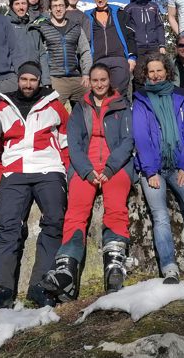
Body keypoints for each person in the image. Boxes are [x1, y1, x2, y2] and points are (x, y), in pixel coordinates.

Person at [41, 63, 134, 301]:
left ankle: (114, 264)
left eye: (103, 79)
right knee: (76, 212)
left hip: (117, 166)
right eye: (95, 80)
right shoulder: (80, 108)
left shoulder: (123, 105)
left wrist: (111, 167)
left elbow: (128, 140)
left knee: (116, 207)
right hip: (85, 168)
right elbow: (74, 143)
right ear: (89, 82)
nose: (100, 84)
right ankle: (67, 270)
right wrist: (86, 170)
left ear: (109, 81)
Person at [0, 61, 69, 311]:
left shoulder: (54, 105)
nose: (28, 84)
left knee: (54, 221)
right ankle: (1, 288)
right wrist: (0, 176)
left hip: (49, 168)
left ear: (39, 81)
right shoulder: (2, 107)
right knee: (8, 227)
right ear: (18, 80)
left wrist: (64, 171)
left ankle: (41, 285)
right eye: (24, 80)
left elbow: (66, 141)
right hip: (14, 171)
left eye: (33, 80)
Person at [132, 53, 184, 293]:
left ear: (167, 72)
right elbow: (141, 137)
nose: (156, 75)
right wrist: (149, 170)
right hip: (153, 168)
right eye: (151, 71)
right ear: (145, 74)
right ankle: (169, 267)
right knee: (159, 214)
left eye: (159, 70)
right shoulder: (140, 100)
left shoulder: (179, 99)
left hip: (178, 165)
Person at [30, 0, 92, 107]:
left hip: (76, 78)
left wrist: (86, 74)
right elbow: (39, 53)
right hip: (55, 79)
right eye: (55, 6)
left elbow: (85, 51)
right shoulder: (43, 27)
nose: (58, 9)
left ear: (66, 7)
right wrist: (45, 79)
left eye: (61, 5)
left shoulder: (76, 27)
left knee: (91, 105)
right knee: (53, 113)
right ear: (50, 9)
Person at [85, 0, 137, 96]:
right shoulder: (87, 16)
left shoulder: (119, 13)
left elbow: (130, 36)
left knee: (118, 93)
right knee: (101, 94)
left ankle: (122, 113)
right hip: (98, 60)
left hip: (119, 59)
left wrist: (132, 57)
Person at [125, 0, 166, 89]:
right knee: (139, 76)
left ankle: (157, 101)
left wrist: (162, 44)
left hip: (153, 46)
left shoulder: (154, 7)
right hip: (138, 47)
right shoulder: (129, 8)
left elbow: (159, 26)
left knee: (156, 75)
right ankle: (139, 102)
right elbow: (126, 30)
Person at [7, 0, 49, 85]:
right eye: (17, 4)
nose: (21, 7)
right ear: (11, 6)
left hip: (36, 79)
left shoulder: (33, 26)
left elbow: (42, 54)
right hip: (15, 81)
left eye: (23, 3)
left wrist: (46, 80)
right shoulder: (6, 25)